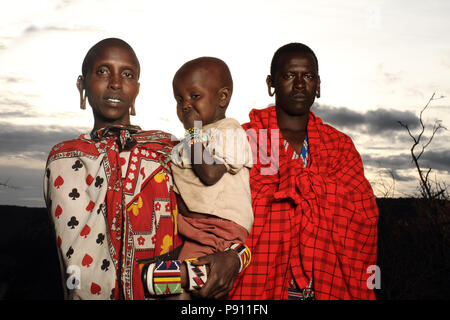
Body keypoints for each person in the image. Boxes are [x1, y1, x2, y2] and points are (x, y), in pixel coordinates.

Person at [43, 38, 240, 300]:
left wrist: (235, 258)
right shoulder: (64, 160)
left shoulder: (172, 150)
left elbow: (222, 214)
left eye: (127, 74)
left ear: (136, 89)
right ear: (82, 84)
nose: (115, 83)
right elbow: (76, 265)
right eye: (103, 71)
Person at [229, 43, 379, 300]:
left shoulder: (339, 145)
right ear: (271, 83)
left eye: (307, 76)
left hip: (326, 284)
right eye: (288, 76)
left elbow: (363, 212)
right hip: (260, 283)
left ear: (318, 85)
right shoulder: (248, 137)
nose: (299, 84)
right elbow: (227, 208)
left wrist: (298, 188)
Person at [169, 57, 253, 289]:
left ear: (222, 97)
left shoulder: (230, 132)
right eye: (179, 99)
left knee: (189, 282)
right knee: (187, 281)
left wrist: (193, 132)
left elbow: (210, 174)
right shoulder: (190, 139)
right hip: (192, 229)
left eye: (194, 96)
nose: (186, 105)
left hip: (217, 231)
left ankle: (152, 280)